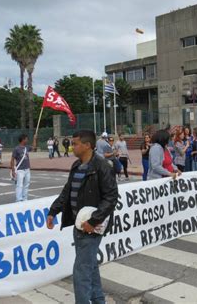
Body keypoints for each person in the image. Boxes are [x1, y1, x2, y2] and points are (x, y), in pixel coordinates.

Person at [46, 130, 118, 304]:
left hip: (91, 227)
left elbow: (111, 197)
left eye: (75, 143)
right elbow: (67, 191)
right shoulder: (76, 165)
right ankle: (99, 301)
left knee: (81, 271)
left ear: (87, 145)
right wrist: (53, 211)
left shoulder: (102, 166)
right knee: (89, 266)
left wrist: (93, 221)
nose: (72, 146)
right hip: (79, 226)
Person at [10, 134, 33, 202]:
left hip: (27, 169)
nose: (27, 140)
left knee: (26, 184)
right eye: (26, 139)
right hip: (20, 170)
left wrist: (35, 139)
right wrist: (13, 170)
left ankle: (25, 198)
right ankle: (18, 199)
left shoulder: (27, 147)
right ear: (23, 140)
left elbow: (34, 147)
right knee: (19, 185)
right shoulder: (16, 149)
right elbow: (12, 160)